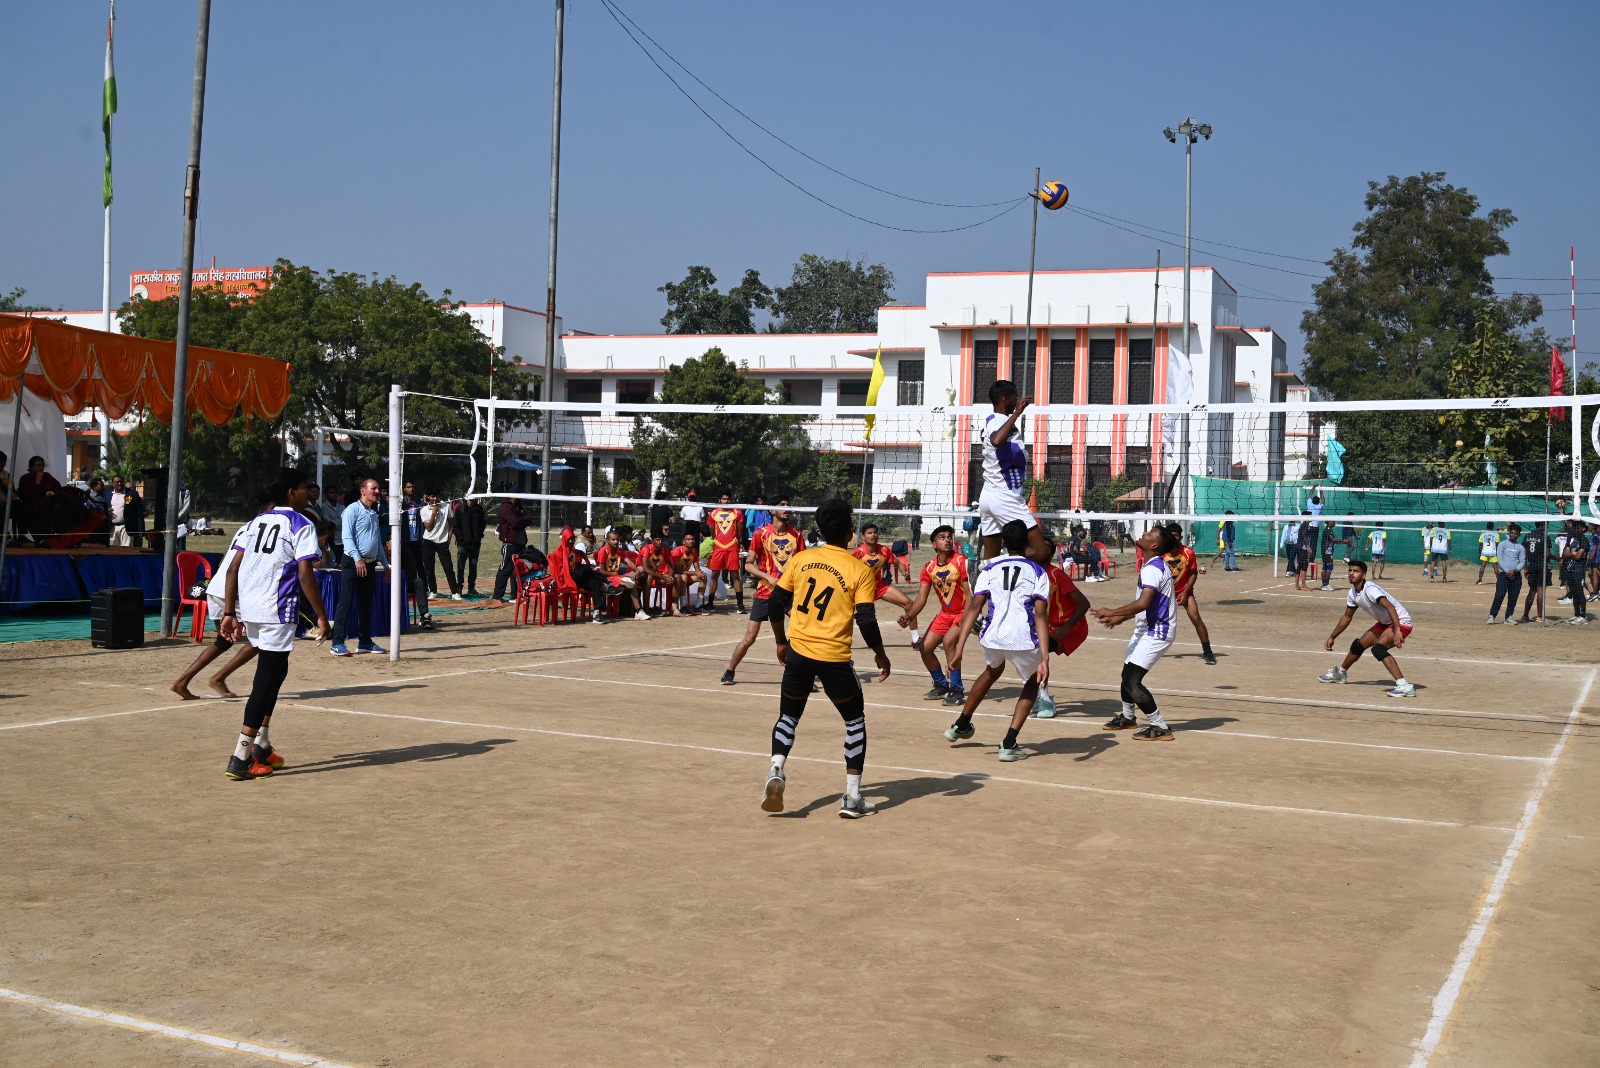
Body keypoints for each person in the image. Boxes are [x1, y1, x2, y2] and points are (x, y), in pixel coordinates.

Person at [759, 497, 890, 819]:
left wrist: (780, 641)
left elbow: (775, 604)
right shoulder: (859, 569)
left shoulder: (802, 559)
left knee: (789, 717)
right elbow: (867, 620)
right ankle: (852, 797)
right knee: (854, 721)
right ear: (849, 532)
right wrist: (880, 655)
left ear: (819, 528)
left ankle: (776, 768)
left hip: (799, 653)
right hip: (834, 658)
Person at [216, 469, 330, 779]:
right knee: (266, 678)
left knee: (277, 671)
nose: (310, 492)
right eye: (305, 488)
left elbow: (232, 570)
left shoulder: (255, 522)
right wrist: (321, 615)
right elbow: (306, 574)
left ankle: (262, 746)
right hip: (277, 606)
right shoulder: (301, 523)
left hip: (252, 605)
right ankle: (241, 755)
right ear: (292, 493)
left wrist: (230, 611)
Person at [941, 520, 1051, 761]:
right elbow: (1040, 614)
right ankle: (1009, 743)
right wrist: (1045, 657)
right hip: (1022, 637)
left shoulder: (989, 570)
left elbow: (973, 608)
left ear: (1002, 543)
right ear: (1028, 544)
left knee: (992, 670)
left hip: (992, 636)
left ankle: (961, 723)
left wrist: (959, 648)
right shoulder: (1038, 572)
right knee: (1033, 682)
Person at [171, 492, 275, 700]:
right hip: (231, 589)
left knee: (223, 640)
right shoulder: (259, 531)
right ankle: (218, 677)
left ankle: (182, 682)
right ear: (262, 510)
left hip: (218, 587)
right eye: (274, 508)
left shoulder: (246, 528)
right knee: (263, 639)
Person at [1092, 524, 1183, 741]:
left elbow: (1144, 603)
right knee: (1126, 674)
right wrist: (1120, 618)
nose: (1144, 533)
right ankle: (1127, 716)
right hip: (1146, 629)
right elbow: (1148, 606)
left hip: (1157, 631)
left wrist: (1114, 611)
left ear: (1154, 545)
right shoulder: (1153, 565)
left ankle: (1160, 726)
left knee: (1132, 680)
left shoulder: (1153, 568)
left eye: (1149, 533)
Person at [723, 499, 804, 684]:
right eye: (782, 506)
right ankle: (730, 670)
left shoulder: (797, 535)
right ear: (771, 510)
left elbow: (802, 563)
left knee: (802, 633)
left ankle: (802, 676)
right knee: (749, 638)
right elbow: (749, 565)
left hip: (788, 593)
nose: (786, 509)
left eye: (788, 506)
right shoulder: (761, 534)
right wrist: (767, 577)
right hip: (765, 593)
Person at [1318, 559, 1416, 697]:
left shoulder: (1370, 590)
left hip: (1400, 621)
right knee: (1358, 645)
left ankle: (1405, 686)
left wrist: (1397, 631)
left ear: (1363, 575)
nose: (1351, 574)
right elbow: (1347, 617)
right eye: (1350, 571)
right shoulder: (1352, 593)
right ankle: (1340, 674)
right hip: (1385, 622)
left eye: (1356, 571)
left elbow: (1390, 607)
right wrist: (1332, 636)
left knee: (1378, 649)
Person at [976, 380, 1050, 563]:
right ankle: (1010, 572)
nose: (1017, 400)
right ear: (1005, 399)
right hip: (1004, 496)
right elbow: (996, 440)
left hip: (989, 495)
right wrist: (1017, 412)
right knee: (1042, 552)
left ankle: (983, 573)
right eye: (1014, 397)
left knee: (990, 558)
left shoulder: (997, 422)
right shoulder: (998, 421)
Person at [897, 524, 971, 705]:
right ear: (934, 544)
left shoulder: (962, 561)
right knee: (924, 647)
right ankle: (941, 684)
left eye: (949, 537)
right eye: (942, 537)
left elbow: (970, 596)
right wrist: (909, 616)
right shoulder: (929, 567)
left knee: (949, 643)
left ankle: (956, 689)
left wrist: (965, 620)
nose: (947, 540)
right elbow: (921, 599)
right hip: (945, 614)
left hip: (964, 612)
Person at [1032, 538, 1092, 718]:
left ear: (1047, 554)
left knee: (1035, 652)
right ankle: (1038, 695)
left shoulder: (1056, 575)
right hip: (1048, 627)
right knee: (1028, 652)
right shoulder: (1030, 573)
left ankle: (1045, 700)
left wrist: (1065, 628)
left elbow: (1084, 604)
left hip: (1071, 628)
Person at [329, 477, 389, 657]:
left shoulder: (373, 512)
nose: (377, 492)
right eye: (373, 488)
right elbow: (347, 538)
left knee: (366, 604)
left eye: (378, 489)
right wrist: (357, 559)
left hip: (369, 564)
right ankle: (337, 642)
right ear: (363, 490)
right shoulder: (351, 510)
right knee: (346, 602)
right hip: (352, 563)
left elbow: (377, 541)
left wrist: (385, 565)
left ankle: (365, 641)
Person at [852, 523, 919, 640]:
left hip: (879, 586)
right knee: (845, 613)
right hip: (860, 589)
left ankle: (916, 639)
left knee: (909, 603)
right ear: (863, 537)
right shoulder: (857, 553)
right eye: (869, 533)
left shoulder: (884, 550)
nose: (873, 535)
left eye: (875, 532)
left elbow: (899, 564)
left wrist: (905, 573)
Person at [1163, 520, 1217, 664]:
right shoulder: (1161, 553)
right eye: (1170, 535)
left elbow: (1193, 573)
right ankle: (1148, 648)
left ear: (1180, 537)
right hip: (1165, 593)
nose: (1173, 538)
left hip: (1184, 590)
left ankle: (1208, 652)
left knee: (1195, 617)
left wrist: (1186, 592)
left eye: (1175, 535)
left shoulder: (1188, 553)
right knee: (1151, 618)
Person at [595, 527, 648, 620]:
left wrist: (636, 571)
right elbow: (602, 571)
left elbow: (629, 562)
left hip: (619, 576)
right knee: (632, 583)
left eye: (617, 539)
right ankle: (639, 610)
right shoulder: (603, 551)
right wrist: (616, 575)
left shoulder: (620, 550)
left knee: (641, 568)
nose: (615, 542)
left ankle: (639, 611)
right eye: (613, 540)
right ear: (608, 540)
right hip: (608, 578)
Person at [705, 492, 746, 614]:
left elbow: (740, 528)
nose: (726, 501)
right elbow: (712, 529)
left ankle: (740, 604)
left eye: (728, 499)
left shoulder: (736, 512)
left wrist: (736, 541)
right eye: (724, 499)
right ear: (720, 500)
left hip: (732, 547)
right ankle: (710, 603)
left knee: (735, 576)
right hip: (718, 548)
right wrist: (717, 540)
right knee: (714, 575)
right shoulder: (713, 513)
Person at [419, 493, 464, 601]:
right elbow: (428, 528)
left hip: (442, 541)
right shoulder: (424, 510)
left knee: (448, 568)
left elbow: (451, 522)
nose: (434, 499)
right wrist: (434, 513)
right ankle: (433, 591)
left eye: (436, 496)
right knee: (429, 567)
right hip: (428, 540)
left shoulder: (446, 506)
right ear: (428, 497)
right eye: (432, 496)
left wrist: (448, 538)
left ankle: (455, 592)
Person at [489, 496, 533, 603]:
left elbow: (529, 519)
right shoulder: (506, 508)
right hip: (510, 543)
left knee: (517, 570)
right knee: (505, 569)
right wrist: (521, 519)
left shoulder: (519, 507)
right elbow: (515, 522)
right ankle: (498, 596)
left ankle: (515, 595)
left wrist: (520, 518)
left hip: (520, 543)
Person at [1487, 522, 1525, 625]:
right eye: (1511, 533)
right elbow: (1500, 559)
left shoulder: (1520, 547)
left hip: (1516, 576)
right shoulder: (1502, 544)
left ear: (1518, 535)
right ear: (1509, 533)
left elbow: (1522, 561)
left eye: (1515, 533)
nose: (1513, 535)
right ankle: (1492, 616)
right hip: (1504, 575)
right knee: (1499, 595)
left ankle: (1508, 617)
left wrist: (1515, 571)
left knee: (1513, 597)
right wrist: (1508, 571)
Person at [1556, 519, 1590, 624]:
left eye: (1578, 527)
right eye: (1574, 527)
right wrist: (1573, 554)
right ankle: (1577, 614)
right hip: (1571, 569)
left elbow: (1579, 556)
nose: (1575, 529)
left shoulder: (1584, 540)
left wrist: (1572, 554)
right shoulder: (1573, 540)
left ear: (1583, 529)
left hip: (1579, 570)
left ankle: (1583, 616)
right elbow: (1570, 554)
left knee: (1579, 592)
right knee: (1574, 592)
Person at [453, 496, 486, 597]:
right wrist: (460, 537)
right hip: (463, 543)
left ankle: (471, 588)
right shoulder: (460, 508)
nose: (471, 500)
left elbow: (482, 523)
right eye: (469, 498)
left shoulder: (479, 509)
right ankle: (459, 588)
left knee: (473, 566)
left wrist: (479, 535)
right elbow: (455, 525)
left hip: (475, 543)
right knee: (461, 566)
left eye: (473, 498)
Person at [1519, 522, 1550, 624]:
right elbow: (1547, 554)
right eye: (1547, 524)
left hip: (1532, 565)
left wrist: (1525, 567)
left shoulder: (1528, 536)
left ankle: (1525, 615)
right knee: (1540, 590)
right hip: (1542, 566)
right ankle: (1540, 616)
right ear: (1542, 525)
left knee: (1532, 590)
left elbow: (1524, 553)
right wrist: (1556, 557)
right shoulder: (1545, 537)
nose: (1547, 526)